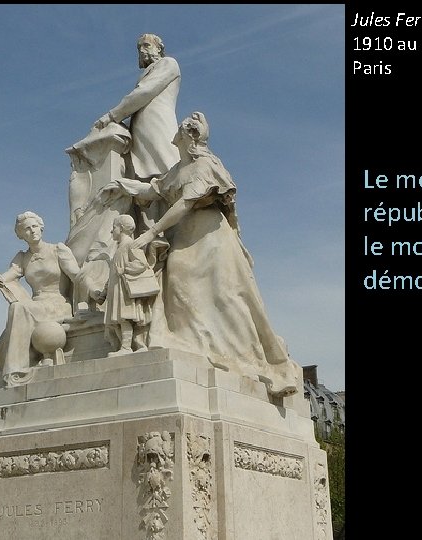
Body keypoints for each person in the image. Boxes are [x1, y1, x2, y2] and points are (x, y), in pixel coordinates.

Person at [104, 112, 302, 397]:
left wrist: (150, 233)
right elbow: (153, 190)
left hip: (210, 236)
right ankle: (198, 345)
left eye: (182, 131)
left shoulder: (205, 165)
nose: (176, 134)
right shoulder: (178, 169)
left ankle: (250, 357)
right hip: (186, 235)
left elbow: (185, 203)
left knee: (225, 295)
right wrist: (122, 184)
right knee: (179, 285)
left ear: (188, 136)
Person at [0, 211, 80, 385]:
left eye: (34, 226)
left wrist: (94, 291)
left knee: (19, 308)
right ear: (21, 235)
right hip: (36, 305)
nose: (32, 231)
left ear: (41, 227)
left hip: (58, 304)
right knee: (18, 309)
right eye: (27, 229)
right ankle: (16, 368)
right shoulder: (22, 257)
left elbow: (77, 276)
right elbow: (8, 276)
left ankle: (17, 369)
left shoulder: (58, 249)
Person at [93, 33, 181, 180]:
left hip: (157, 124)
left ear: (159, 49)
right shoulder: (150, 70)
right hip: (141, 130)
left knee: (167, 166)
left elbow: (144, 92)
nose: (141, 50)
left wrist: (112, 115)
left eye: (147, 45)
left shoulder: (168, 63)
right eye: (139, 47)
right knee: (144, 176)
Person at [94, 214, 156, 355]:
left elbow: (141, 263)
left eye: (114, 227)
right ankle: (130, 346)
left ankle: (127, 347)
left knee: (124, 318)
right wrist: (103, 294)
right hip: (116, 290)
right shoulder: (119, 248)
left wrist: (126, 269)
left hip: (125, 290)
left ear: (121, 228)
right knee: (118, 320)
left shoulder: (130, 244)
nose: (111, 231)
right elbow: (113, 274)